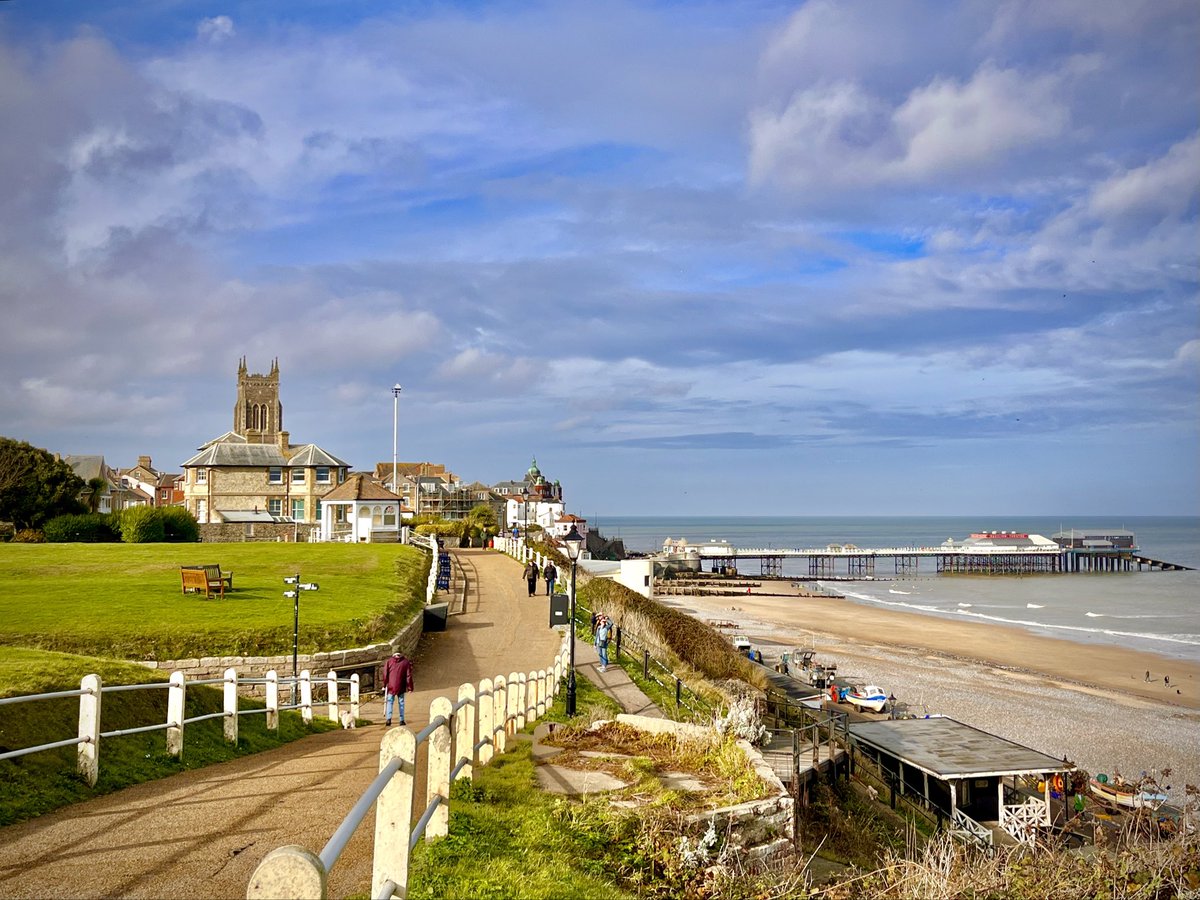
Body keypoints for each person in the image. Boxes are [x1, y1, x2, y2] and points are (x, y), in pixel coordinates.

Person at [383, 650, 414, 727]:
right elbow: (408, 676)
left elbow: (385, 674)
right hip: (401, 686)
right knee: (401, 702)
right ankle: (401, 720)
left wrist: (384, 685)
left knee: (390, 702)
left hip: (391, 686)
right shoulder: (405, 662)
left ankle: (388, 719)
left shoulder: (389, 661)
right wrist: (410, 687)